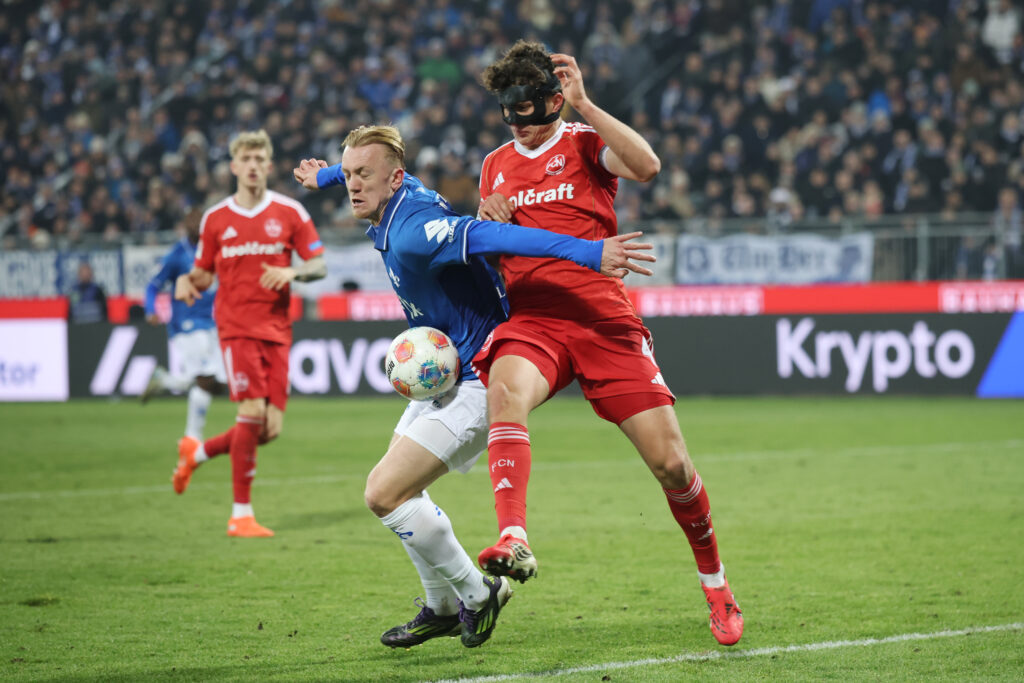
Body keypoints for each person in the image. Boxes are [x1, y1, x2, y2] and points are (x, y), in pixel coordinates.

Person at [293, 124, 654, 648]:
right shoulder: (389, 195)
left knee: (383, 493)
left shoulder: (417, 229)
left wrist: (589, 253)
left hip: (482, 375)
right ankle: (440, 606)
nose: (352, 185)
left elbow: (499, 237)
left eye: (361, 175)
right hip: (450, 372)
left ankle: (477, 592)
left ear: (395, 180)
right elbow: (362, 169)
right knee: (401, 490)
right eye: (347, 175)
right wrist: (324, 175)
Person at [471, 41, 744, 646]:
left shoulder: (582, 141)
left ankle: (716, 583)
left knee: (672, 465)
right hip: (536, 318)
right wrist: (488, 221)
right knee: (504, 392)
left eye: (526, 107)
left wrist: (588, 105)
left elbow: (646, 166)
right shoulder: (493, 165)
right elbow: (490, 250)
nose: (517, 121)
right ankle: (513, 536)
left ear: (550, 99)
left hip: (601, 318)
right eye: (507, 110)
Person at [172, 129, 327, 538]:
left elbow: (319, 265)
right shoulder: (216, 219)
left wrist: (294, 270)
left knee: (268, 430)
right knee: (252, 413)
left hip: (277, 331)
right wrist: (188, 281)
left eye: (261, 159)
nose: (254, 166)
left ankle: (197, 453)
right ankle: (241, 514)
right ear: (234, 166)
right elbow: (203, 273)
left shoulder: (290, 212)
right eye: (247, 159)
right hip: (236, 328)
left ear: (269, 165)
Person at [140, 206, 228, 443]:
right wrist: (150, 310)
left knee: (220, 383)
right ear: (188, 229)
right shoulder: (177, 254)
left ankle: (165, 380)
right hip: (186, 324)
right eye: (194, 225)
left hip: (211, 323)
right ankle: (192, 438)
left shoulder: (216, 249)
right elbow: (152, 286)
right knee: (206, 378)